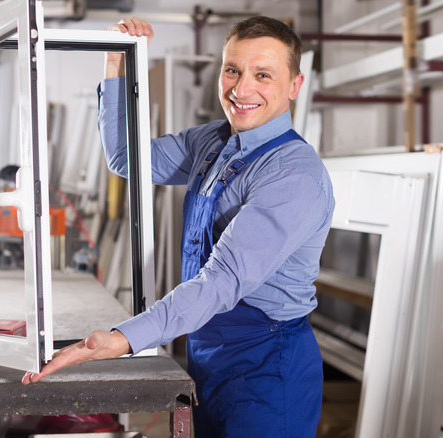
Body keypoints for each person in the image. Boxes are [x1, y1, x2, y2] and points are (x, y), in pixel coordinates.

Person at [23, 16, 335, 437]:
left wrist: (124, 338)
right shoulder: (213, 142)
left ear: (295, 85)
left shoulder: (293, 176)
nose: (241, 90)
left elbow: (222, 280)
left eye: (263, 75)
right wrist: (117, 60)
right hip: (207, 351)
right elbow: (125, 158)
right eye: (232, 71)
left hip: (267, 365)